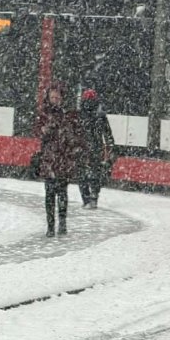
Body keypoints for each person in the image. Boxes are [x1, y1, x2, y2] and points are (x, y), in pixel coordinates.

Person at [37, 82, 80, 237]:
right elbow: (40, 133)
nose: (55, 99)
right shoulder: (43, 114)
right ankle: (50, 225)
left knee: (62, 192)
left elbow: (74, 135)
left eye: (57, 97)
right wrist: (49, 126)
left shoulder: (68, 114)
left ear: (62, 98)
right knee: (49, 194)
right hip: (49, 159)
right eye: (52, 97)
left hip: (63, 159)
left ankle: (62, 223)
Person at [77, 88, 114, 209]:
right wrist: (110, 146)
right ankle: (93, 197)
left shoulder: (80, 114)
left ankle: (87, 199)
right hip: (95, 147)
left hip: (82, 147)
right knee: (95, 174)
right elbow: (107, 133)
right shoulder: (100, 115)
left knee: (82, 174)